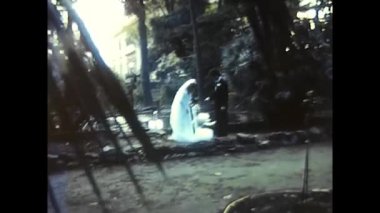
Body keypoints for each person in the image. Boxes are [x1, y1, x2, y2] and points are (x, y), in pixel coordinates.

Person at [206, 69, 229, 137]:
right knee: (219, 118)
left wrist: (223, 105)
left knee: (223, 119)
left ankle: (223, 133)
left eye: (212, 76)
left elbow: (224, 95)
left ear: (215, 76)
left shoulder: (223, 82)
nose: (211, 78)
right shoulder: (217, 82)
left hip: (222, 104)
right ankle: (220, 133)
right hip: (218, 104)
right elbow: (216, 93)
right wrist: (210, 98)